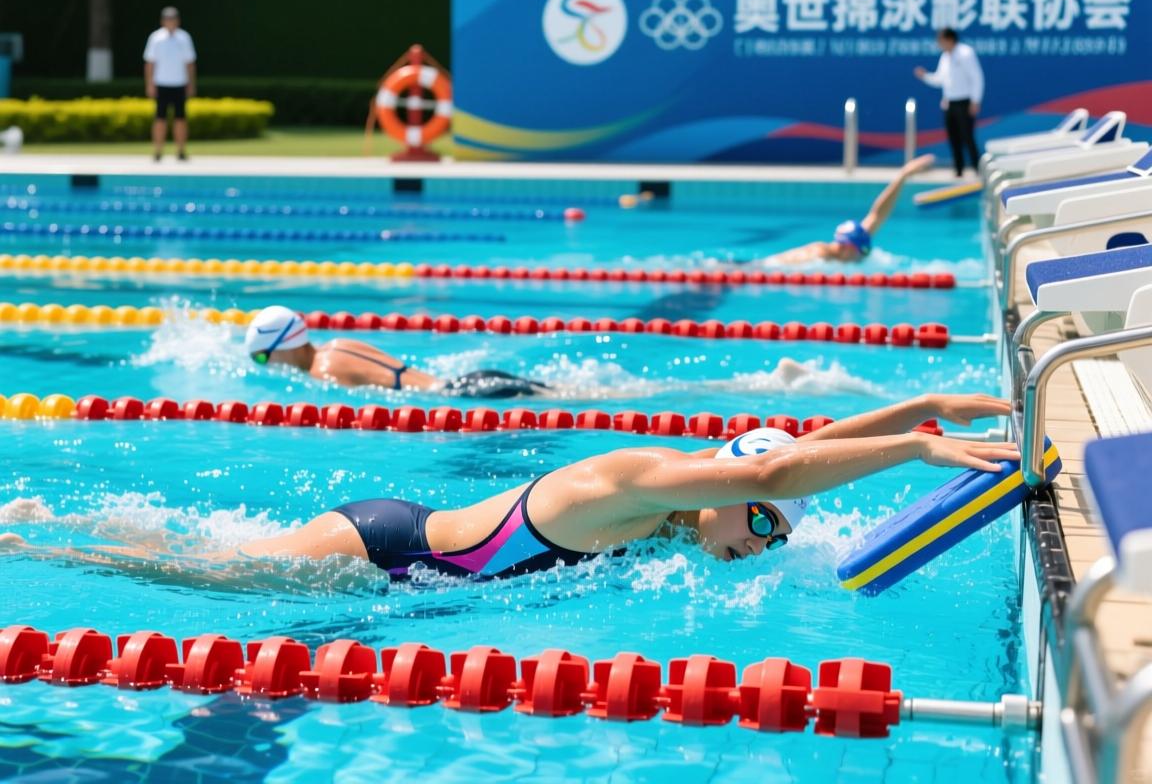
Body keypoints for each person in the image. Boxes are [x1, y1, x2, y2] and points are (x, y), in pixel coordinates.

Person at [0, 394, 1015, 581]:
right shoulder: (636, 483)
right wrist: (924, 449)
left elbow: (792, 458)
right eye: (759, 523)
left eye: (774, 537)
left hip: (412, 567)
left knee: (198, 558)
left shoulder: (684, 514)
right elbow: (779, 466)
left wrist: (917, 402)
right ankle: (33, 536)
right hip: (384, 549)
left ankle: (51, 524)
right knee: (191, 573)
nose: (761, 540)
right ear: (728, 488)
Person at [245, 305, 549, 398]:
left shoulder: (321, 371)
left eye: (262, 356)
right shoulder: (337, 344)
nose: (265, 365)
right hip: (469, 380)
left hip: (466, 394)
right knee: (568, 392)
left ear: (282, 346)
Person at [768, 154, 935, 264]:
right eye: (860, 253)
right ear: (847, 247)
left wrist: (904, 174)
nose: (861, 258)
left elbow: (877, 214)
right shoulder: (818, 255)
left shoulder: (848, 246)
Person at [914, 28, 984, 177]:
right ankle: (958, 170)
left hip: (964, 102)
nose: (939, 44)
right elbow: (940, 79)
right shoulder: (945, 57)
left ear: (950, 39)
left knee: (967, 137)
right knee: (953, 138)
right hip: (949, 103)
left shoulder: (966, 53)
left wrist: (975, 101)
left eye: (941, 40)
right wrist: (925, 76)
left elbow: (977, 78)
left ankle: (978, 170)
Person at [143, 6, 197, 162]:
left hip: (179, 83)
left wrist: (191, 83)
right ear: (162, 21)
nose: (170, 21)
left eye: (173, 18)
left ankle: (181, 150)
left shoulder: (184, 38)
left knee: (180, 119)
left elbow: (190, 63)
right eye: (167, 19)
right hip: (161, 83)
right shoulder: (155, 38)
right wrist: (150, 84)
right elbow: (150, 63)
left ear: (178, 21)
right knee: (160, 118)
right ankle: (158, 151)